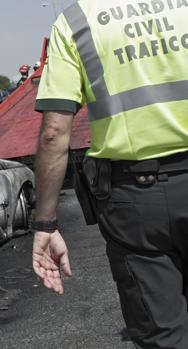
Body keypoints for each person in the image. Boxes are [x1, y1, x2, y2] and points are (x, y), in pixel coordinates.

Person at [32, 0, 188, 348]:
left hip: (136, 202)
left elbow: (54, 134)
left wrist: (45, 223)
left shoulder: (75, 22)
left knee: (162, 334)